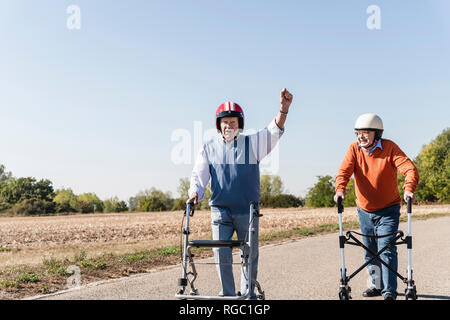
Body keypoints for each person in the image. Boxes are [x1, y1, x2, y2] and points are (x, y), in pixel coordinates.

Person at [187, 88, 293, 299]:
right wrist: (194, 193)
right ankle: (228, 295)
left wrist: (284, 109)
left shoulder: (252, 143)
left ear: (240, 124)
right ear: (219, 125)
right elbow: (199, 176)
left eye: (233, 121)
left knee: (249, 254)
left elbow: (273, 131)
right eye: (225, 122)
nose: (229, 125)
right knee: (221, 253)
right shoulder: (209, 147)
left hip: (247, 209)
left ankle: (247, 294)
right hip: (220, 210)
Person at [333, 113, 419, 300]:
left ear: (376, 134)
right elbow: (343, 172)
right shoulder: (354, 149)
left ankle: (389, 291)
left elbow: (409, 168)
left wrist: (409, 188)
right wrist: (340, 190)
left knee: (386, 249)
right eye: (358, 133)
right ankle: (376, 285)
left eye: (365, 132)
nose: (360, 137)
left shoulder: (389, 147)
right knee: (370, 251)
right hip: (364, 210)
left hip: (388, 209)